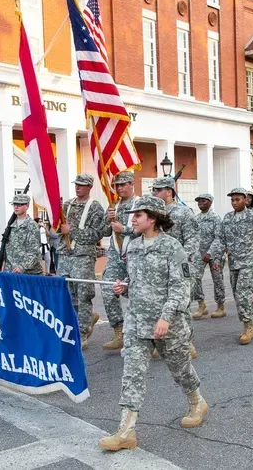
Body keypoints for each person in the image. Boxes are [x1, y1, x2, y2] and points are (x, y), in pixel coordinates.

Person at [101, 195, 207, 452]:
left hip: (168, 325)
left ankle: (197, 401)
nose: (132, 219)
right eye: (132, 215)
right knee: (132, 374)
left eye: (138, 215)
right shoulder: (133, 246)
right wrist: (123, 287)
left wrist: (166, 317)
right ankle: (126, 431)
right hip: (138, 324)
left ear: (153, 218)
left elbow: (182, 288)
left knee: (180, 370)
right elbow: (136, 283)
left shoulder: (172, 248)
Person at [206, 188, 253, 344]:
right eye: (232, 200)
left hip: (249, 262)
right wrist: (212, 254)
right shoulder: (228, 218)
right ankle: (247, 324)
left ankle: (249, 327)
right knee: (236, 295)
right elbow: (220, 240)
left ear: (245, 199)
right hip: (234, 262)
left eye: (238, 200)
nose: (234, 203)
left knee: (242, 294)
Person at [152, 176, 199, 359]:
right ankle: (165, 342)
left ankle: (188, 342)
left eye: (158, 190)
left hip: (181, 266)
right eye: (153, 190)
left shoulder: (183, 212)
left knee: (182, 305)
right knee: (163, 304)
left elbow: (192, 241)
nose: (154, 193)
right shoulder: (154, 214)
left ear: (169, 192)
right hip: (159, 268)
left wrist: (179, 262)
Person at [58, 174, 105, 349]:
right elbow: (58, 227)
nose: (78, 188)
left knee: (84, 295)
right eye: (76, 184)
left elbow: (97, 234)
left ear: (89, 187)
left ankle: (83, 332)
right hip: (65, 254)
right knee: (67, 295)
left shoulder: (95, 208)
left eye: (82, 185)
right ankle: (70, 329)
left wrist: (73, 231)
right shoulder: (68, 205)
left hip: (83, 256)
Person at [99, 171, 139, 351]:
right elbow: (104, 233)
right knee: (108, 288)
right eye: (117, 185)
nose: (119, 188)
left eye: (123, 185)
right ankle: (118, 331)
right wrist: (108, 220)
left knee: (140, 294)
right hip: (116, 257)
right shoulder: (113, 205)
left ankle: (151, 332)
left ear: (132, 184)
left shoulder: (141, 204)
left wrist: (125, 229)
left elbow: (148, 229)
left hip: (137, 255)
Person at [191, 193, 226, 319]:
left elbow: (219, 238)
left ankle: (221, 306)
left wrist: (210, 252)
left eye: (203, 201)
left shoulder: (215, 218)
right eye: (199, 201)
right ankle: (201, 305)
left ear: (210, 202)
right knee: (194, 277)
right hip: (199, 253)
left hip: (214, 254)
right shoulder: (196, 218)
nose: (200, 203)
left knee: (217, 279)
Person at [0, 194, 43, 275]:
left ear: (27, 206)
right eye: (14, 204)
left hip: (27, 273)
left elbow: (34, 251)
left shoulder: (31, 225)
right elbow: (3, 246)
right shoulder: (11, 225)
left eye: (19, 204)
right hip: (10, 271)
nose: (16, 207)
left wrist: (22, 267)